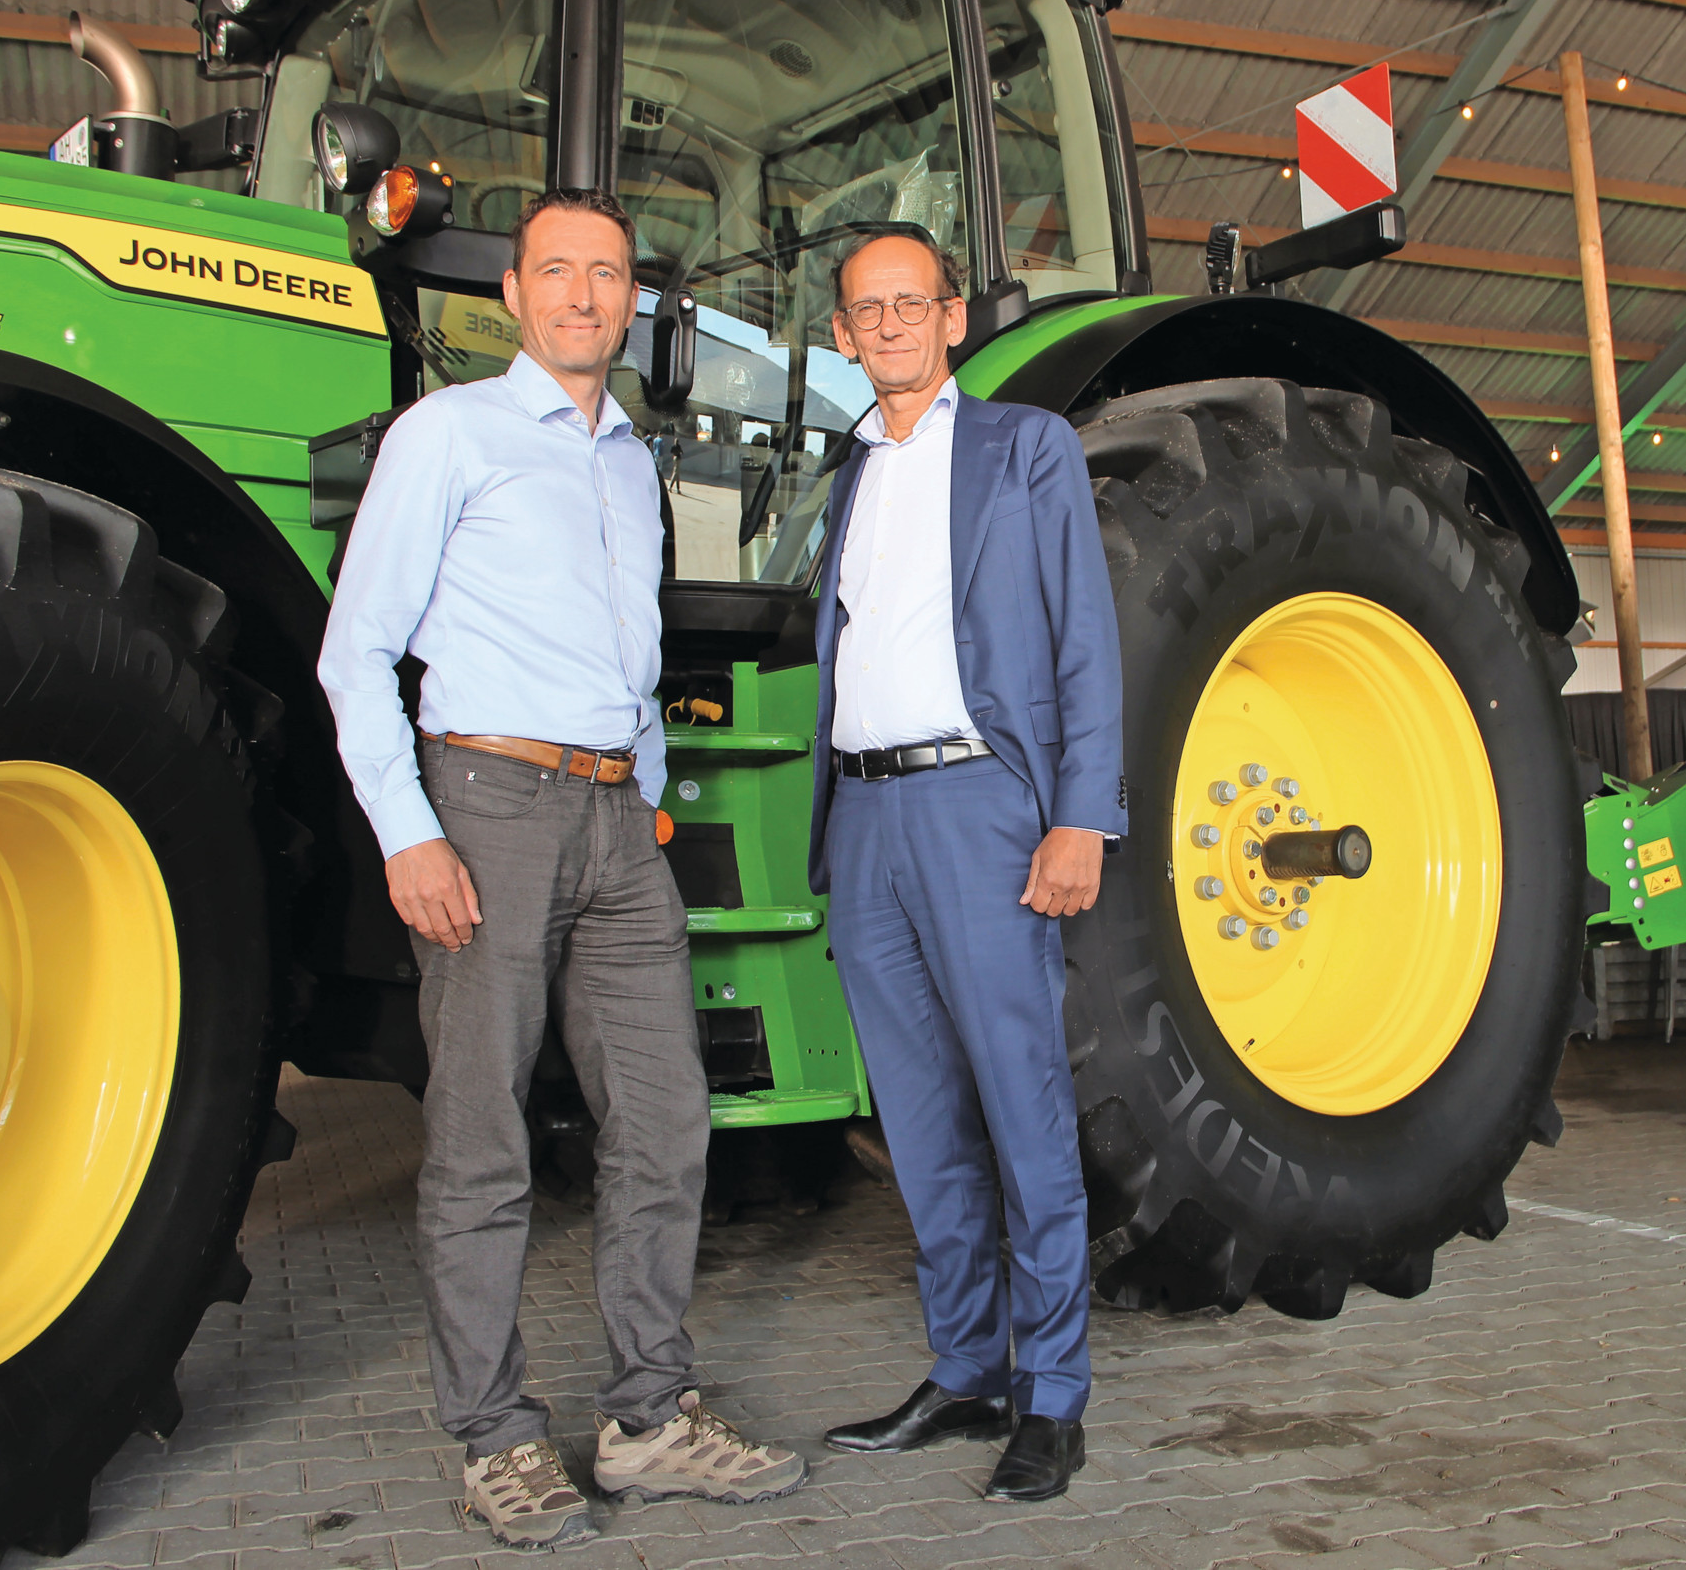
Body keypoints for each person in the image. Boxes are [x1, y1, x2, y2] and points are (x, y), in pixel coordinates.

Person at [317, 188, 803, 1551]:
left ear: (630, 302)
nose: (587, 295)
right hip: (487, 804)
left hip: (610, 821)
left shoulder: (625, 464)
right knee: (482, 1139)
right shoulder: (449, 434)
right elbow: (356, 651)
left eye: (610, 275)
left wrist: (643, 798)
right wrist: (409, 829)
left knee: (664, 1119)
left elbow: (629, 658)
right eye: (561, 272)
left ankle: (648, 1416)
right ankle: (492, 1433)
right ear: (518, 297)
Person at [807, 224, 1125, 1502]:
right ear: (841, 335)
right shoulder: (850, 472)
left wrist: (1079, 816)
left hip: (980, 803)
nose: (887, 325)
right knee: (920, 1119)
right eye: (863, 311)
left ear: (951, 319)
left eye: (909, 304)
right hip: (868, 819)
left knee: (1021, 1102)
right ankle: (965, 1367)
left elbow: (1083, 640)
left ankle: (1053, 1390)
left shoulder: (1023, 450)